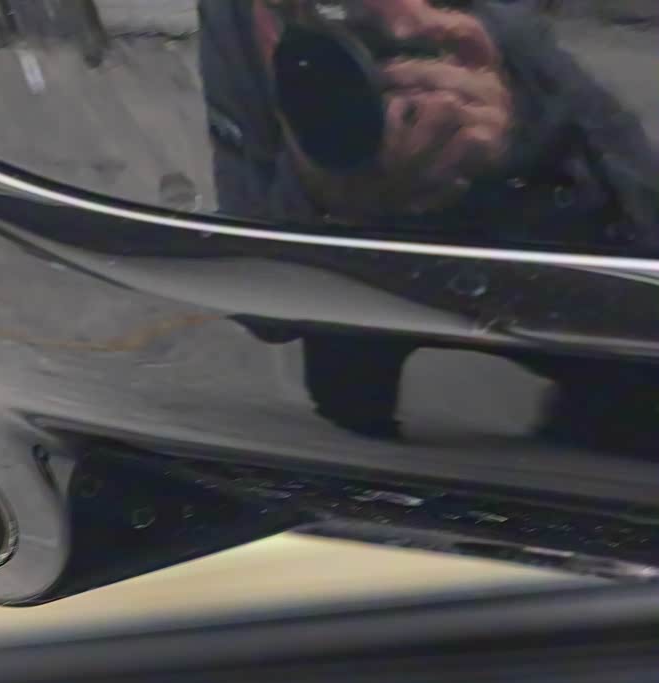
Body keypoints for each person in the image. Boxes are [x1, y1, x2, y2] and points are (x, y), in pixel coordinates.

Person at [199, 0, 659, 441]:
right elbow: (256, 300)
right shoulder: (240, 17)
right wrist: (318, 190)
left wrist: (522, 145)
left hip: (558, 353)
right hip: (356, 382)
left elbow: (643, 234)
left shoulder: (500, 31)